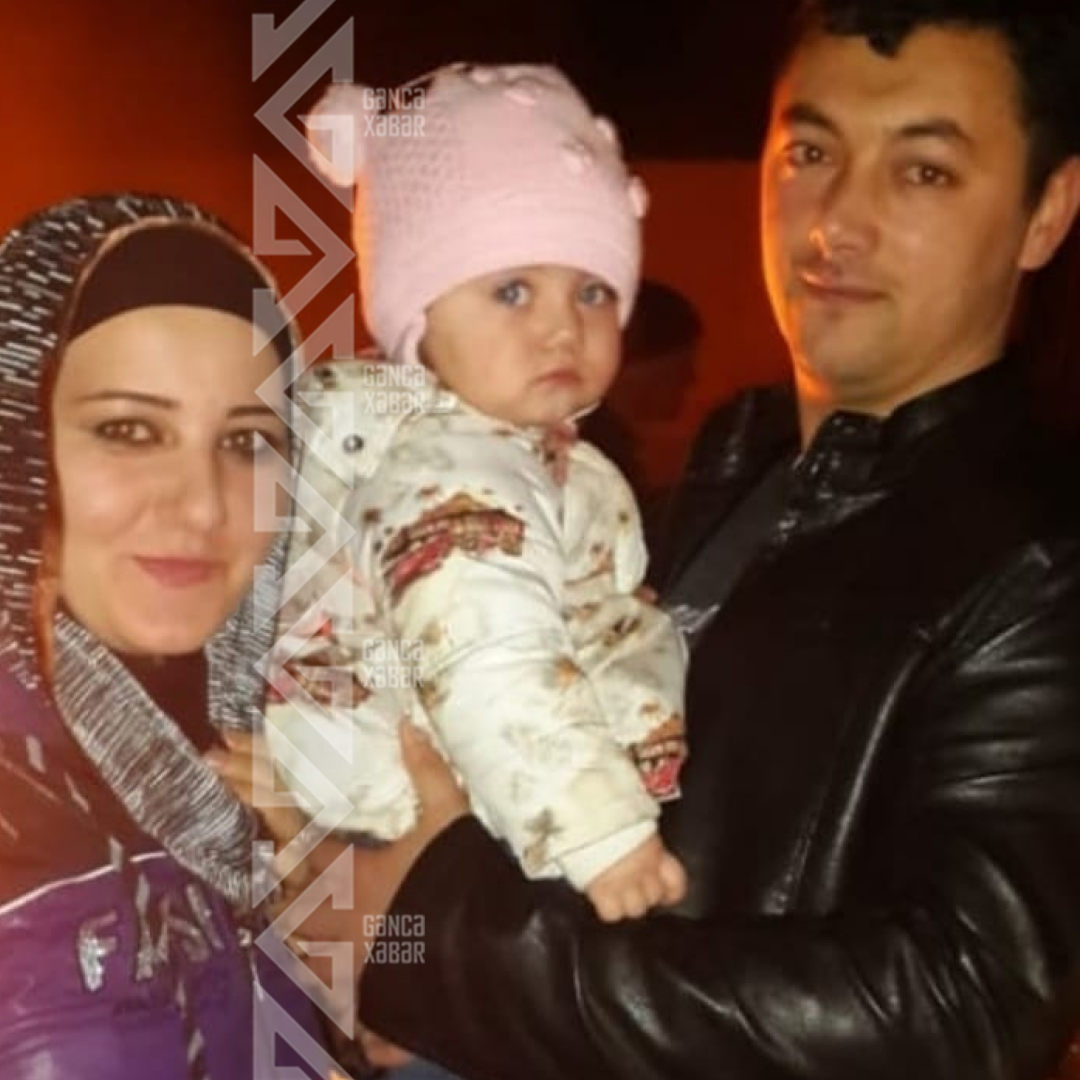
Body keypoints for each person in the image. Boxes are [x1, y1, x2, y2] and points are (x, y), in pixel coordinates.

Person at [234, 2, 1080, 1078]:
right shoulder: (709, 483)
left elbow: (965, 1009)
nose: (837, 221)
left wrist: (442, 947)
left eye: (924, 171)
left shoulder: (1039, 559)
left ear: (1047, 211)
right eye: (811, 153)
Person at [265, 63, 688, 922]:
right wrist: (602, 829)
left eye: (593, 291)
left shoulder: (524, 453)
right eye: (511, 290)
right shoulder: (453, 470)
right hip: (455, 805)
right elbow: (486, 655)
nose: (561, 326)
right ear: (419, 319)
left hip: (487, 809)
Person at [0, 194, 342, 1079]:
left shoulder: (276, 750)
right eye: (129, 430)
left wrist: (342, 924)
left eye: (247, 441)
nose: (202, 507)